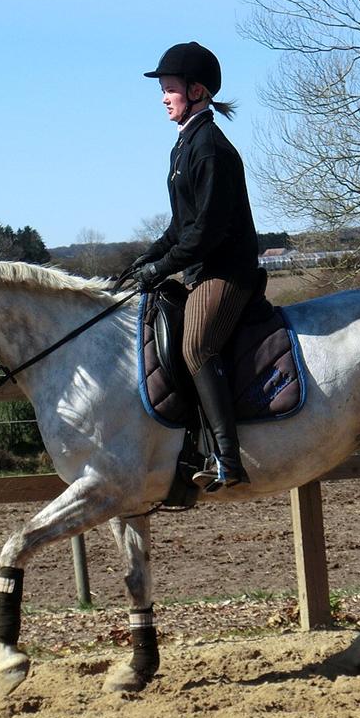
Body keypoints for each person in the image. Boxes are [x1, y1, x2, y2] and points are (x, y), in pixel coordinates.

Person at [123, 41, 260, 492]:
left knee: (196, 345)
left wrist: (162, 267)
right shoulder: (184, 146)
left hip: (227, 272)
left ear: (197, 91)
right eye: (162, 89)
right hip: (202, 269)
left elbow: (205, 235)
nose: (163, 97)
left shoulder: (211, 149)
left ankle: (228, 458)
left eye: (170, 89)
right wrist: (144, 260)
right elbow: (181, 227)